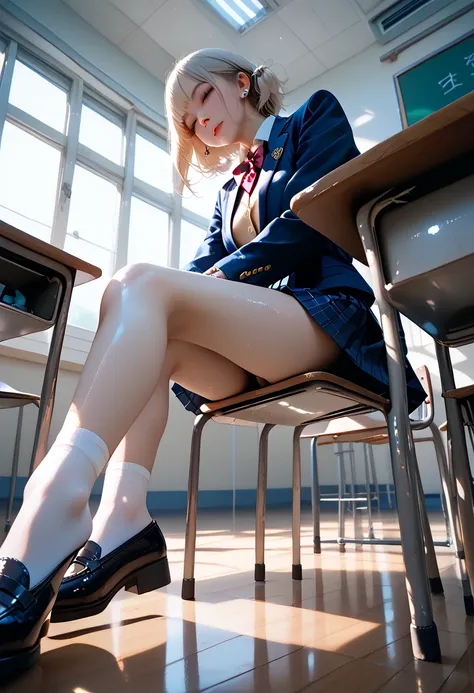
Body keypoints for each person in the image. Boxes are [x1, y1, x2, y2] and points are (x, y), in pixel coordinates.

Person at [0, 48, 425, 680]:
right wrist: (199, 286)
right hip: (249, 350)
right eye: (189, 122)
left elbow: (310, 224)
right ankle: (124, 515)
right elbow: (193, 275)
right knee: (139, 306)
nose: (201, 125)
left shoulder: (313, 118)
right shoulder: (229, 193)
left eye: (201, 99)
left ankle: (53, 500)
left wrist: (216, 281)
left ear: (241, 83)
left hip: (317, 321)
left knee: (144, 285)